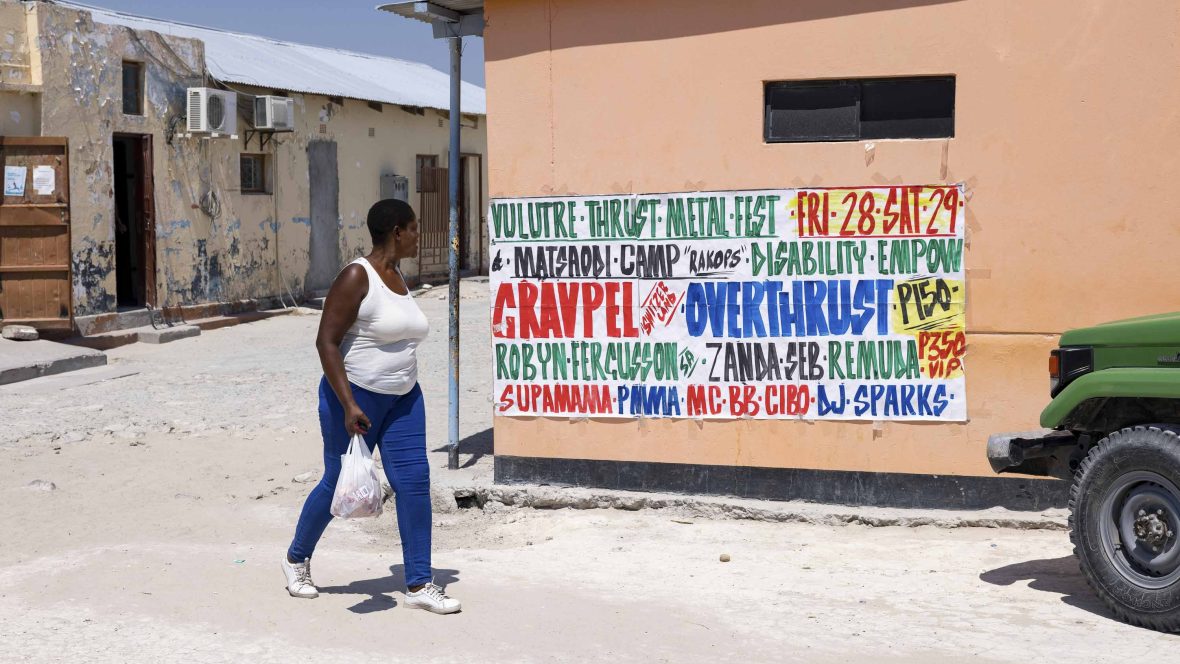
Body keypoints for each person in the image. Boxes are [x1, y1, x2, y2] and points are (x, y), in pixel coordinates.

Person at [282, 199, 460, 615]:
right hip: (355, 400)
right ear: (397, 231)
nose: (419, 235)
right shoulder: (355, 277)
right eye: (415, 228)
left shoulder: (397, 275)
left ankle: (419, 582)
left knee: (414, 483)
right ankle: (296, 560)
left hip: (404, 398)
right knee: (336, 482)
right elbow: (326, 342)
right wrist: (347, 404)